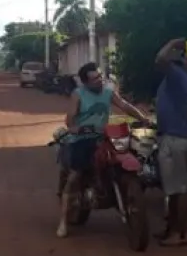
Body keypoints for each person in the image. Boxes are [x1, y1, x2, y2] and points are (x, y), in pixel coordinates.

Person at [58, 62, 148, 238]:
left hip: (105, 136)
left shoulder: (108, 92)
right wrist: (77, 128)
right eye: (95, 79)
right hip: (83, 139)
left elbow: (124, 105)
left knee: (127, 155)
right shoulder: (78, 95)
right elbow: (70, 120)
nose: (99, 81)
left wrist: (143, 118)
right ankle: (63, 221)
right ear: (85, 82)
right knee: (75, 176)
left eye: (100, 76)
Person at [154, 38, 187, 246]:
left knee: (178, 189)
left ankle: (180, 234)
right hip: (174, 136)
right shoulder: (186, 76)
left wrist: (171, 42)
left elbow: (159, 59)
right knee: (174, 189)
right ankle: (171, 230)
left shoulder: (176, 75)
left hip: (174, 137)